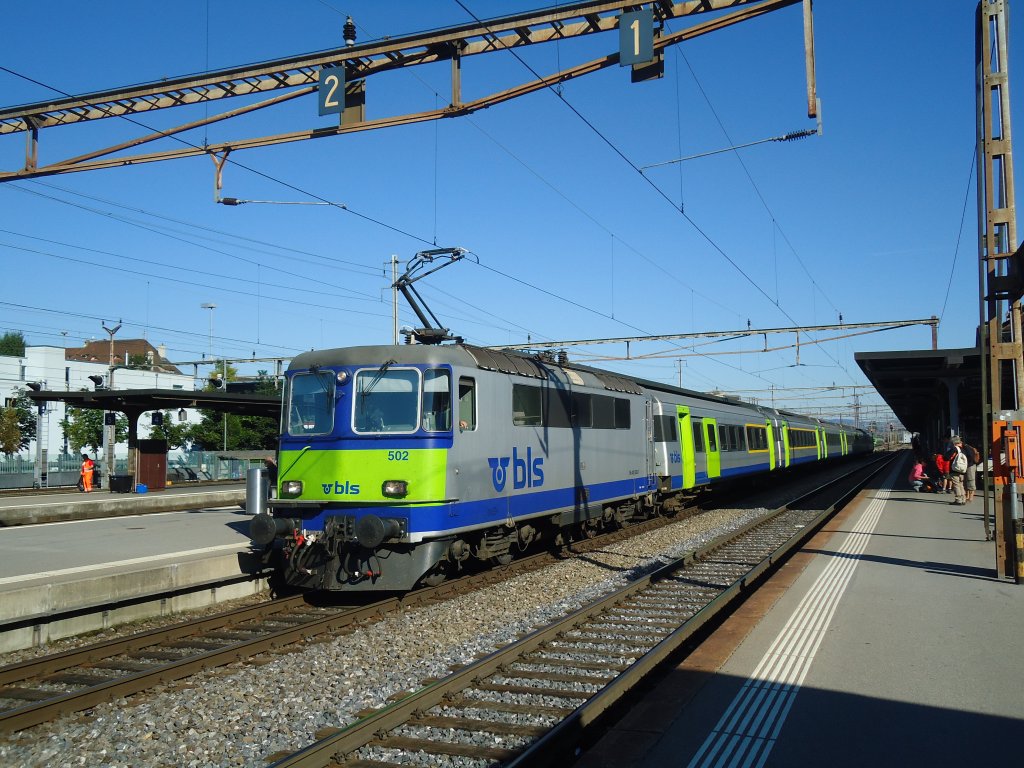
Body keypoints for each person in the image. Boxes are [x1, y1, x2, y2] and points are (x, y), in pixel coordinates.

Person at [945, 437, 968, 506]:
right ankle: (963, 499)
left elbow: (946, 457)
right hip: (962, 469)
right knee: (961, 484)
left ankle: (958, 500)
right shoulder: (963, 449)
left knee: (956, 485)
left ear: (953, 443)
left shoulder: (954, 449)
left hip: (955, 469)